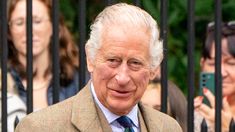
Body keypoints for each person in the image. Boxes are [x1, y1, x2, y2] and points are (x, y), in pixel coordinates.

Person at [15, 3, 182, 132]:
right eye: (112, 60)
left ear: (153, 69)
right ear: (90, 59)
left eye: (135, 63)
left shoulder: (169, 127)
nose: (122, 77)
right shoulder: (39, 128)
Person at [7, 0, 79, 111]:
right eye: (19, 23)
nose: (29, 30)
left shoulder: (78, 79)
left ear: (53, 26)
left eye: (37, 21)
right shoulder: (4, 82)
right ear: (9, 32)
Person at [194, 21, 235, 132]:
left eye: (231, 63)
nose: (221, 73)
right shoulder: (191, 114)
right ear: (202, 64)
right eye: (213, 64)